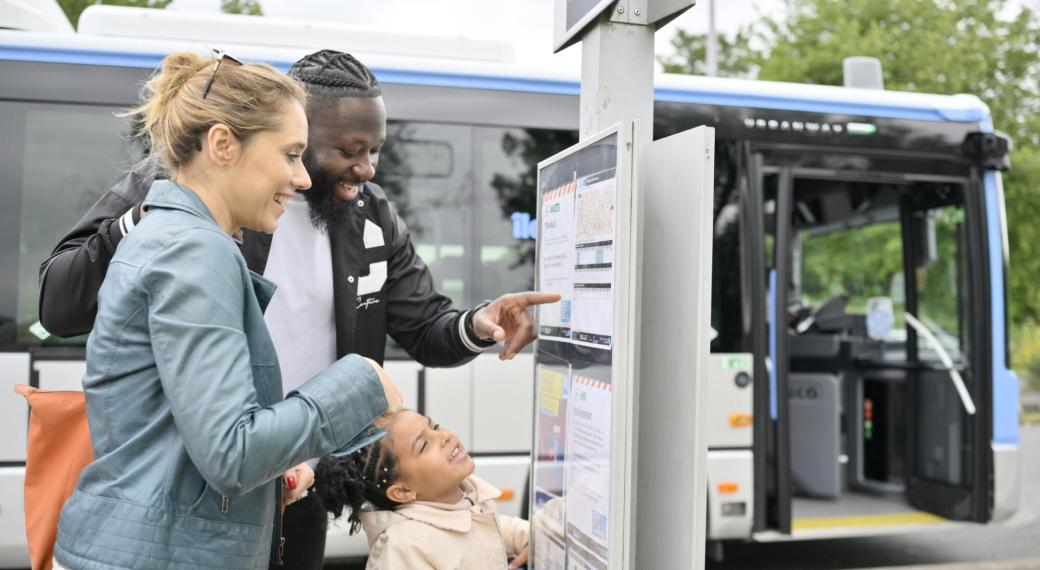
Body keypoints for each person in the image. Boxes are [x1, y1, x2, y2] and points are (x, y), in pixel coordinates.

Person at [37, 49, 559, 568]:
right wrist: (158, 209)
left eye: (376, 150)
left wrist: (477, 324)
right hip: (198, 493)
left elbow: (424, 325)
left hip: (296, 482)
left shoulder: (370, 216)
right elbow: (59, 306)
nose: (366, 168)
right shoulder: (188, 209)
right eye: (345, 149)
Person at [51, 51, 403, 570]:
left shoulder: (175, 236)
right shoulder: (196, 251)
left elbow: (179, 431)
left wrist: (268, 481)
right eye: (290, 154)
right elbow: (232, 454)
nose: (302, 178)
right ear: (221, 145)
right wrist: (361, 383)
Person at [315, 410, 529, 569]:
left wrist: (534, 538)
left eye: (435, 427)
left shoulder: (471, 502)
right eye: (424, 445)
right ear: (403, 491)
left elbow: (499, 530)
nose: (444, 436)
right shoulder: (405, 546)